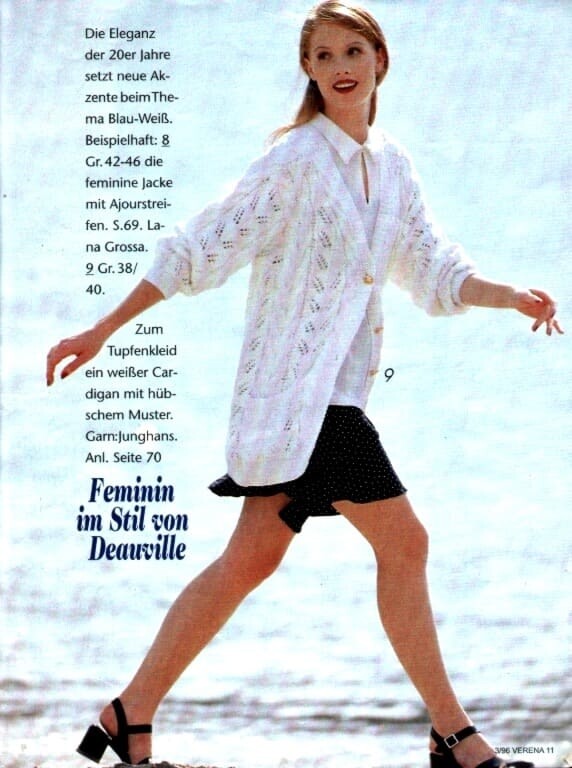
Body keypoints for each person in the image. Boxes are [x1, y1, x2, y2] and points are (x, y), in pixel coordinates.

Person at [46, 2, 563, 767]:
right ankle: (455, 737)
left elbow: (432, 265)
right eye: (323, 56)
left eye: (353, 50)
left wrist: (509, 295)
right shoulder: (295, 161)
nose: (340, 67)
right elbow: (198, 247)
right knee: (406, 542)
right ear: (309, 71)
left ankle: (129, 713)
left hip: (331, 403)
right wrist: (103, 329)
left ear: (380, 59)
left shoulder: (391, 166)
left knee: (250, 560)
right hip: (302, 406)